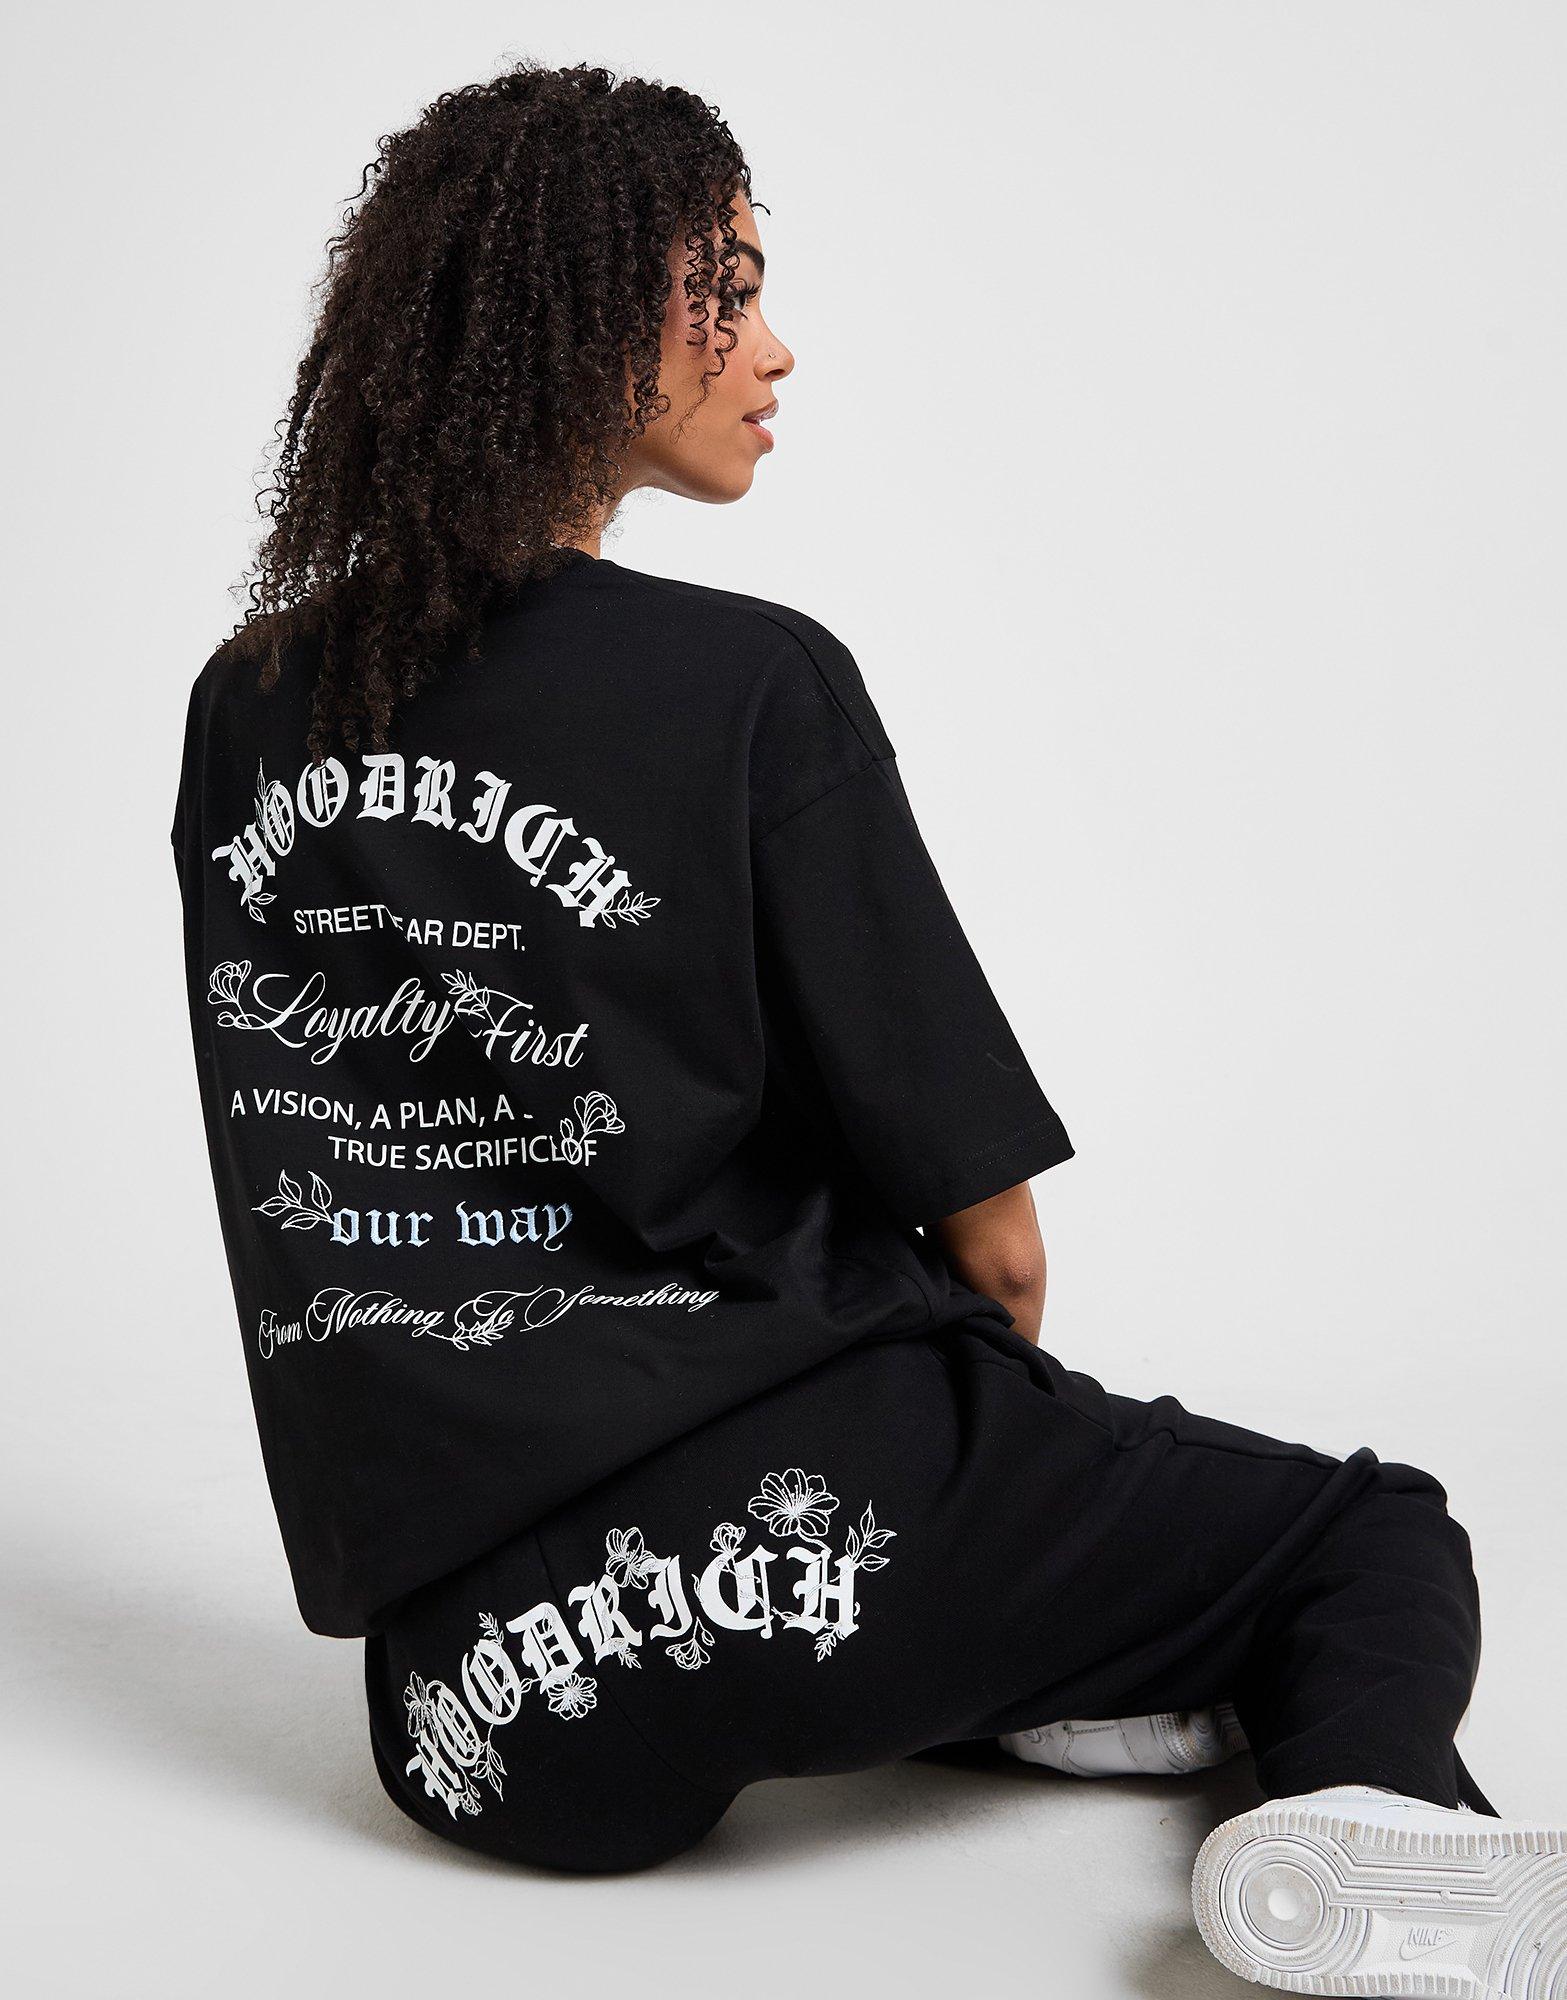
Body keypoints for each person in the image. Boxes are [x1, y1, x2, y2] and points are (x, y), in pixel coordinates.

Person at [171, 61, 1565, 1995]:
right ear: (587, 315)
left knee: (1018, 1566)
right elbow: (995, 1246)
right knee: (1368, 1538)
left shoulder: (249, 705)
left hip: (475, 1719)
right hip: (803, 1556)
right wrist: (994, 1488)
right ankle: (1372, 1817)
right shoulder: (750, 689)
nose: (774, 348)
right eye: (726, 291)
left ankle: (1054, 1687)